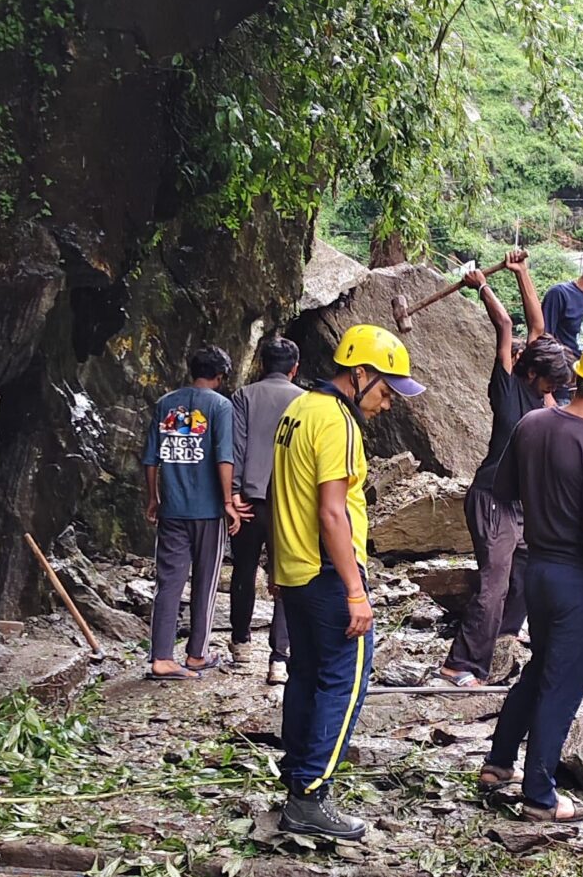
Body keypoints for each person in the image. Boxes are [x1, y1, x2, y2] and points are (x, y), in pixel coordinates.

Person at [268, 322, 425, 842]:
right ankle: (311, 795)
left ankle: (296, 777)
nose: (387, 404)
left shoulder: (299, 410)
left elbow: (280, 494)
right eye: (385, 390)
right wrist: (356, 590)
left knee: (307, 676)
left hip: (297, 570)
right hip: (330, 572)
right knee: (347, 681)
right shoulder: (337, 422)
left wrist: (276, 565)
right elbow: (331, 513)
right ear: (359, 374)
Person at [478, 336, 583, 821]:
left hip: (539, 572)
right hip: (577, 583)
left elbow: (503, 486)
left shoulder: (532, 422)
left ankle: (498, 761)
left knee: (541, 667)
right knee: (562, 685)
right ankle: (540, 795)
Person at [440, 247, 567, 686]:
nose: (555, 390)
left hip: (521, 503)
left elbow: (538, 326)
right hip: (492, 498)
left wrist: (522, 271)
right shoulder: (508, 387)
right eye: (552, 382)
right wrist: (484, 288)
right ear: (532, 373)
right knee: (493, 587)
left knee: (527, 575)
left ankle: (503, 643)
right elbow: (508, 325)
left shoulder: (538, 392)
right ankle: (461, 664)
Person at [143, 347, 241, 678]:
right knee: (205, 581)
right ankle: (196, 654)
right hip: (208, 510)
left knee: (168, 581)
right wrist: (228, 502)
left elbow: (151, 459)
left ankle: (160, 656)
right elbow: (223, 457)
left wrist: (153, 498)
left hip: (171, 508)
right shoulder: (220, 406)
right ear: (221, 376)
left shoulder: (164, 404)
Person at [228, 336, 301, 685]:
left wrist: (235, 492)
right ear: (294, 368)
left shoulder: (244, 396)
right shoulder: (304, 401)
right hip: (288, 504)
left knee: (243, 572)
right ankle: (279, 658)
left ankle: (240, 644)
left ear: (261, 364)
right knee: (285, 578)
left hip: (248, 501)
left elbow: (237, 445)